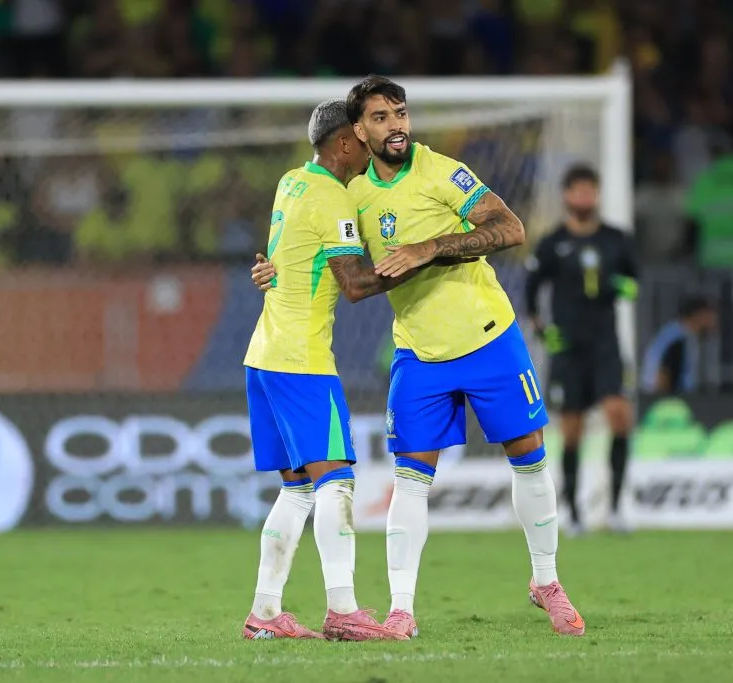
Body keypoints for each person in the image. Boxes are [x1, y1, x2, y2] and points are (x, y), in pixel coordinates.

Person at [255, 75, 585, 639]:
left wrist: (431, 247)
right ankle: (402, 609)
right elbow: (329, 255)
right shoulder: (348, 189)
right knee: (410, 478)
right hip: (418, 351)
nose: (397, 125)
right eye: (381, 117)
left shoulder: (443, 171)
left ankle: (546, 582)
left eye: (401, 113)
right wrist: (278, 269)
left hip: (488, 335)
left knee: (528, 455)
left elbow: (510, 227)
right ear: (357, 130)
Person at [242, 100, 408, 642]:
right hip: (302, 361)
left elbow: (275, 259)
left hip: (263, 355)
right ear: (343, 143)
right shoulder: (332, 196)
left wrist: (267, 270)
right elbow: (355, 285)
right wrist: (417, 260)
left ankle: (264, 614)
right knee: (336, 482)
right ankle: (344, 611)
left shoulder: (291, 182)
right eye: (363, 137)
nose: (369, 145)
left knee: (296, 490)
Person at [524, 164, 637, 537]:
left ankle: (618, 509)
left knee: (619, 415)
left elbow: (633, 278)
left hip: (605, 342)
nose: (586, 197)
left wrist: (625, 287)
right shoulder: (552, 242)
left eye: (592, 190)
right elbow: (530, 293)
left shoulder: (616, 239)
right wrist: (543, 332)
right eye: (579, 191)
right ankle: (573, 514)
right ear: (567, 196)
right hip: (569, 347)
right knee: (572, 430)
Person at [640, 296, 718, 394]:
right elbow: (663, 373)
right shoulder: (679, 338)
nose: (713, 322)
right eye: (710, 316)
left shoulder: (681, 334)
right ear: (699, 315)